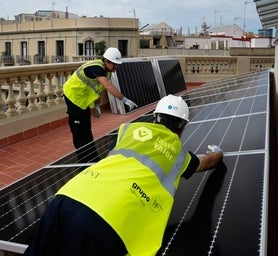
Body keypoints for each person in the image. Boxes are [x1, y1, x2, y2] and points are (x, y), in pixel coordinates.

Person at [24, 95, 224, 256]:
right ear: (182, 129)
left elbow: (115, 152)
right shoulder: (179, 155)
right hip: (108, 222)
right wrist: (217, 153)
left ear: (155, 118)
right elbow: (207, 163)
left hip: (68, 197)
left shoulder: (128, 130)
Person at [62, 47, 138, 162]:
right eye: (114, 64)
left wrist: (97, 105)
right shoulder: (96, 67)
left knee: (87, 128)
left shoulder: (106, 72)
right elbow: (108, 86)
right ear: (106, 61)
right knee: (78, 131)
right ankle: (83, 162)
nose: (116, 67)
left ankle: (92, 158)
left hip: (82, 101)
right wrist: (124, 100)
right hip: (73, 97)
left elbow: (98, 89)